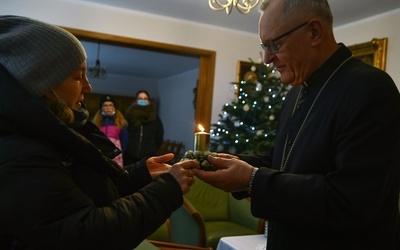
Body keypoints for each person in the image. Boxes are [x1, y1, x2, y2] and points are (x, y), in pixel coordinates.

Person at [194, 0, 400, 249]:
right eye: (264, 46)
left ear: (314, 32)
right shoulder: (294, 92)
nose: (267, 58)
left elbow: (350, 200)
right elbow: (284, 159)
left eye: (275, 44)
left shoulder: (370, 89)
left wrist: (252, 180)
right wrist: (225, 163)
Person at [0, 15, 199, 250]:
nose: (88, 86)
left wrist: (140, 174)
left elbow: (84, 192)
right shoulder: (19, 150)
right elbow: (85, 234)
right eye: (77, 76)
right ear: (42, 83)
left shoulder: (52, 130)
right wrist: (168, 190)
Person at [124, 90, 164, 165]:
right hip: (129, 157)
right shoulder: (129, 117)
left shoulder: (155, 118)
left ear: (149, 101)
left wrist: (151, 149)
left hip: (148, 158)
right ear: (136, 100)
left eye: (145, 99)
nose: (143, 100)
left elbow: (159, 138)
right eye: (140, 98)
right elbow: (124, 135)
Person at [92, 95, 128, 167]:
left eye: (110, 105)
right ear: (101, 108)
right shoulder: (96, 123)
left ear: (114, 107)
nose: (108, 107)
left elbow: (125, 141)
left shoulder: (120, 123)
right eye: (105, 105)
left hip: (116, 156)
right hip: (100, 154)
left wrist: (120, 153)